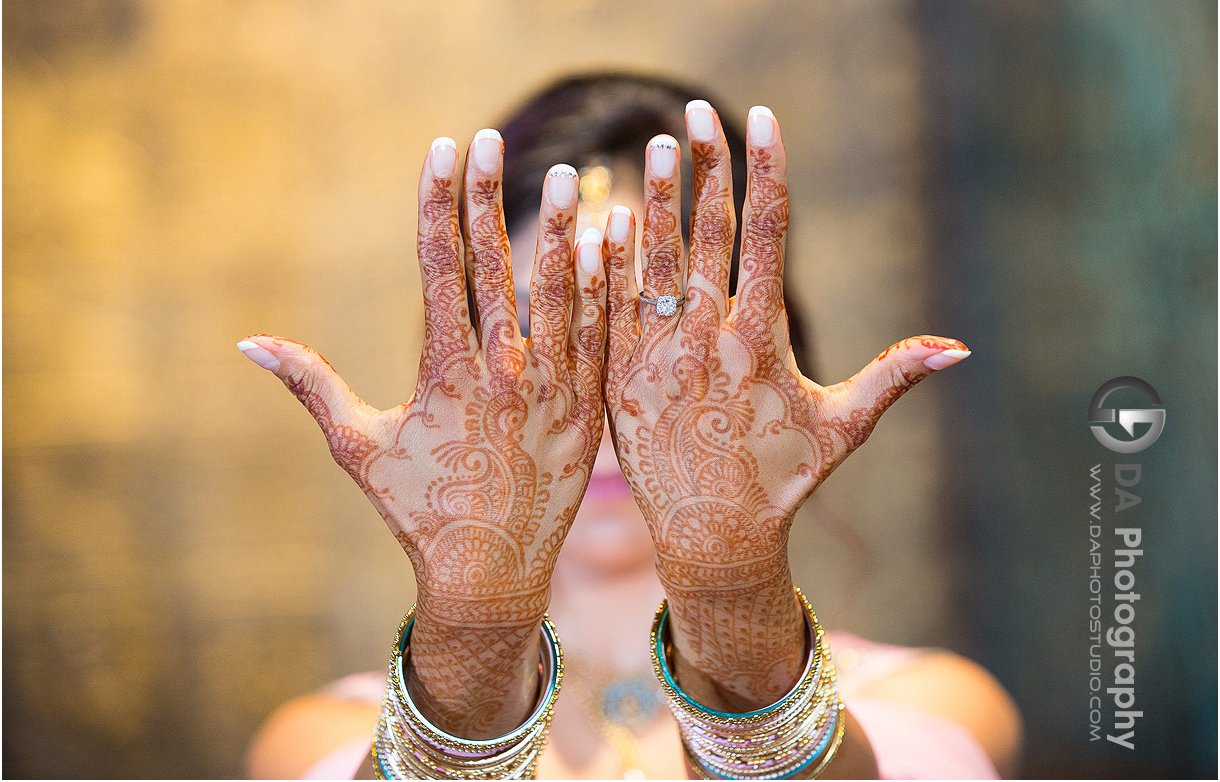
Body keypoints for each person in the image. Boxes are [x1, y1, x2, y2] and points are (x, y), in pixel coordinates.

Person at [240, 74, 1022, 780]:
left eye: (659, 335)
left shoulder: (931, 705)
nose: (607, 407)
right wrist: (470, 650)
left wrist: (732, 601)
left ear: (779, 369)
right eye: (549, 331)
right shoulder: (321, 739)